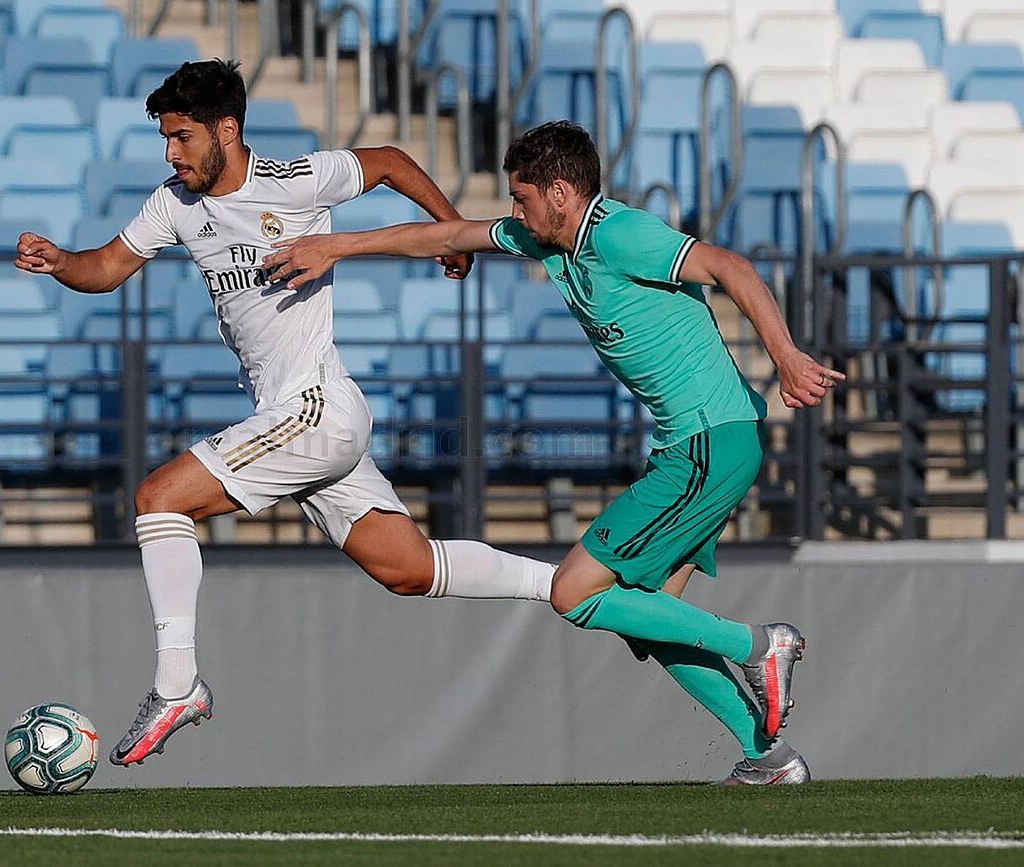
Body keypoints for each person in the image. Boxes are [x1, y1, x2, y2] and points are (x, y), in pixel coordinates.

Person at [15, 60, 562, 768]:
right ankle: (563, 584)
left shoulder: (296, 179)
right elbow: (106, 268)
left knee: (158, 500)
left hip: (317, 408)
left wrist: (452, 234)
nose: (170, 154)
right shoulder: (174, 203)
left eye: (181, 137)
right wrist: (61, 259)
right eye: (166, 140)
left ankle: (177, 684)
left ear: (227, 129)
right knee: (405, 567)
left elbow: (392, 162)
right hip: (298, 419)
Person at [264, 120, 846, 785]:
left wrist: (787, 355)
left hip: (709, 440)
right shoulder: (549, 240)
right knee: (648, 615)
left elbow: (730, 266)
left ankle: (759, 645)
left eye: (523, 197)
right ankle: (768, 755)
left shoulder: (621, 233)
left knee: (574, 592)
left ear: (562, 192)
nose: (514, 211)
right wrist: (337, 245)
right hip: (697, 445)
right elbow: (449, 234)